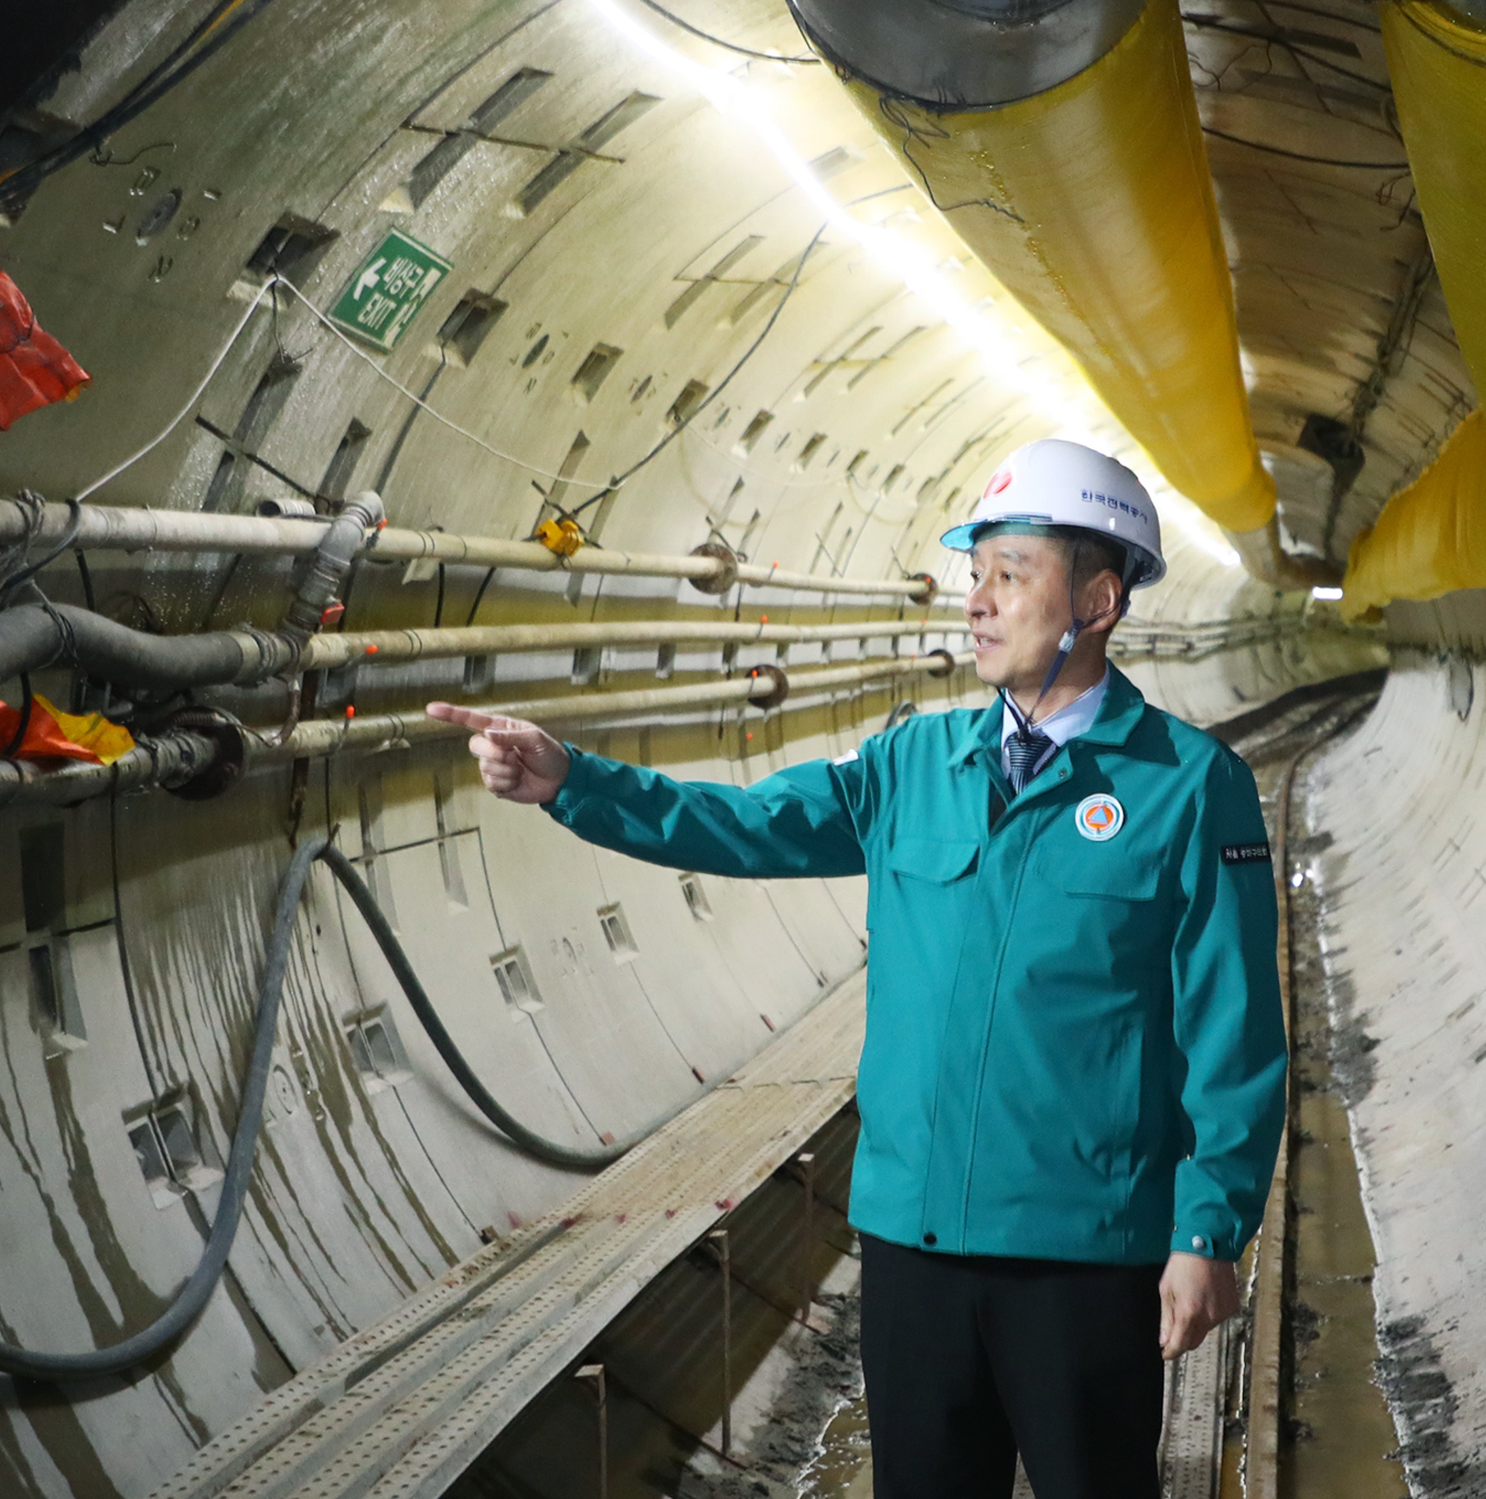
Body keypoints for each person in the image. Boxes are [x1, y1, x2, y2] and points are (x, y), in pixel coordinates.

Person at [427, 437, 1287, 1499]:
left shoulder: (1190, 788)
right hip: (912, 1246)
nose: (977, 601)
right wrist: (574, 781)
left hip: (1085, 1255)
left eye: (1011, 576)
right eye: (974, 576)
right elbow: (739, 824)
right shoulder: (909, 765)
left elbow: (1233, 1032)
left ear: (1098, 601)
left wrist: (1208, 1231)